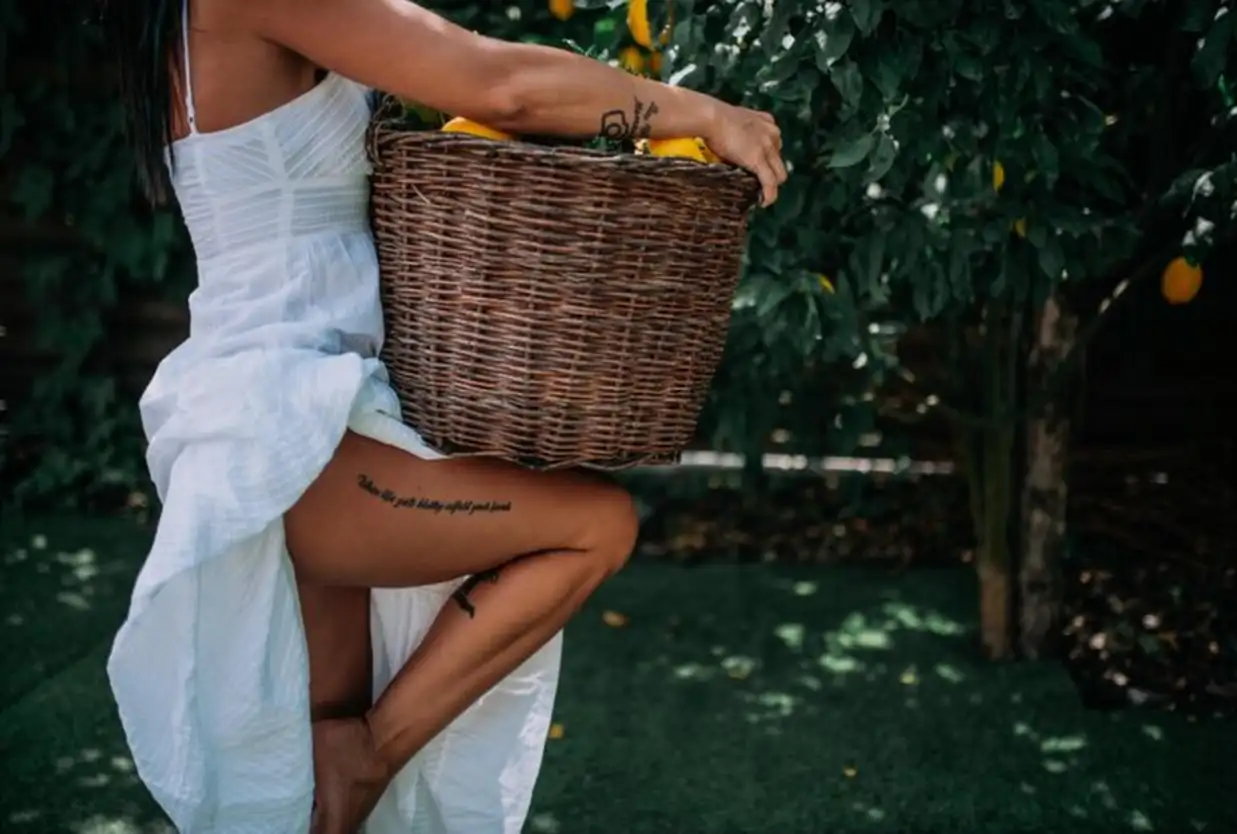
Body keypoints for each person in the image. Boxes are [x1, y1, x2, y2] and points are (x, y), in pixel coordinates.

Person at [100, 0, 786, 831]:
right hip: (290, 428)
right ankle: (373, 749)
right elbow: (501, 85)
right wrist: (705, 114)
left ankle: (355, 753)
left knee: (312, 808)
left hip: (309, 413)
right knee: (594, 527)